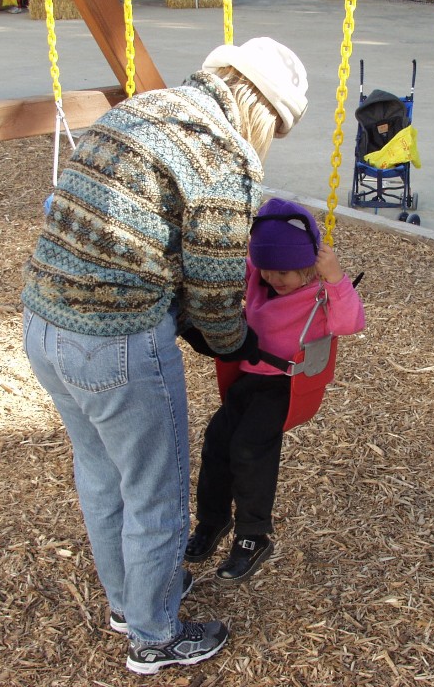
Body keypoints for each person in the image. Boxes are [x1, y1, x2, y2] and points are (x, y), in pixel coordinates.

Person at [21, 37, 308, 675]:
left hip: (42, 322)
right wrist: (237, 344)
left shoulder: (142, 109)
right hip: (116, 341)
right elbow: (214, 293)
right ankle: (154, 637)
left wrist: (193, 319)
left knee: (103, 475)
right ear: (263, 112)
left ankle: (129, 603)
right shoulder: (222, 157)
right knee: (156, 494)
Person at [183, 198, 365, 584]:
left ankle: (252, 537)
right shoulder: (260, 277)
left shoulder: (320, 293)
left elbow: (350, 324)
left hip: (286, 386)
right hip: (247, 380)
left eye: (284, 272)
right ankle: (212, 521)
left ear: (308, 266)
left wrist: (335, 278)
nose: (274, 279)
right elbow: (242, 262)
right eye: (268, 269)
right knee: (217, 442)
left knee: (249, 449)